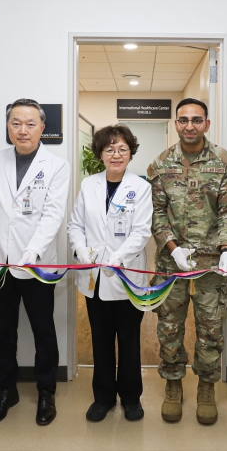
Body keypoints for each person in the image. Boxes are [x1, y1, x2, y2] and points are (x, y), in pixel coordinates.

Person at [147, 97, 227, 425]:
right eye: (184, 120)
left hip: (212, 264)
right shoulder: (161, 164)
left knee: (211, 329)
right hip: (170, 264)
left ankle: (206, 386)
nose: (190, 126)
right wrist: (172, 247)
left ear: (207, 124)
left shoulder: (225, 162)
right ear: (176, 123)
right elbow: (156, 213)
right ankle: (173, 383)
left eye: (197, 120)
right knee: (169, 327)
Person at [0, 98, 70, 426]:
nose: (23, 130)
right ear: (8, 127)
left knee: (43, 330)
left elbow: (53, 214)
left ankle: (46, 392)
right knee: (2, 330)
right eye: (16, 123)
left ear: (42, 127)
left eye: (30, 124)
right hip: (0, 262)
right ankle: (5, 391)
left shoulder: (56, 165)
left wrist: (34, 250)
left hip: (37, 265)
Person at [68, 125, 152, 422]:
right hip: (95, 278)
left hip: (127, 276)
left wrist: (119, 256)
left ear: (130, 153)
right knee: (101, 340)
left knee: (129, 341)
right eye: (109, 149)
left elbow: (141, 231)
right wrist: (80, 249)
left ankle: (131, 397)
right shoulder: (88, 185)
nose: (116, 155)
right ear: (100, 154)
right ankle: (103, 397)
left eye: (122, 149)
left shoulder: (140, 187)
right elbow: (75, 225)